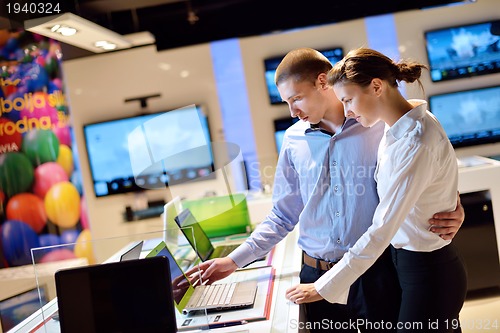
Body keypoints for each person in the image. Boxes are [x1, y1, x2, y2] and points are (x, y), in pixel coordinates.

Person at [186, 48, 465, 332]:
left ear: (322, 82)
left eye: (296, 98)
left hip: (376, 274)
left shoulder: (379, 123)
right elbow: (283, 215)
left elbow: (431, 167)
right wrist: (234, 260)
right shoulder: (293, 140)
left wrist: (453, 205)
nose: (292, 112)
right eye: (286, 102)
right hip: (313, 274)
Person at [286, 47, 467, 332]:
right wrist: (451, 202)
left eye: (348, 100)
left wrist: (323, 287)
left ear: (376, 86)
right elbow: (429, 182)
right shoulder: (393, 130)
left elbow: (383, 226)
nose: (346, 111)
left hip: (428, 270)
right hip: (403, 266)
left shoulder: (416, 139)